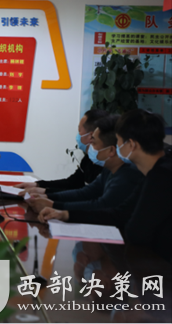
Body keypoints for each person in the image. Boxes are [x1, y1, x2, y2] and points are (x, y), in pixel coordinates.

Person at [39, 109, 171, 261]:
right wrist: (66, 214)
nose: (117, 145)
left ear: (131, 145)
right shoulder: (153, 172)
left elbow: (136, 233)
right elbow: (120, 213)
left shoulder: (161, 176)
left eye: (119, 140)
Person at [26, 114, 144, 213]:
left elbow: (101, 206)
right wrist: (46, 195)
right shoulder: (109, 169)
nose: (90, 147)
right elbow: (85, 192)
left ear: (111, 150)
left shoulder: (128, 175)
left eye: (93, 143)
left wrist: (56, 207)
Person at [16, 109, 109, 195]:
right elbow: (72, 183)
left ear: (91, 136)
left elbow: (86, 196)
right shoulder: (88, 159)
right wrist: (38, 185)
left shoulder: (108, 167)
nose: (78, 136)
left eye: (79, 131)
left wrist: (45, 192)